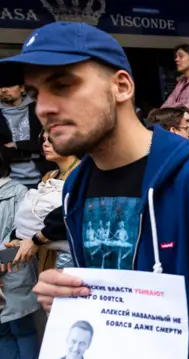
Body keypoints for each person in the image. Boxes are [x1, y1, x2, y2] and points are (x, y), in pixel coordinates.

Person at [1, 22, 189, 358]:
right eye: (35, 94)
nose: (43, 108)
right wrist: (68, 300)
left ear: (121, 86)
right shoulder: (75, 187)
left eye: (62, 85)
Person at [8, 131, 80, 273]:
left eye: (51, 140)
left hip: (73, 253)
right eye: (44, 140)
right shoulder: (50, 175)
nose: (45, 144)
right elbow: (32, 214)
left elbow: (68, 213)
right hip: (46, 251)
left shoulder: (81, 173)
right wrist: (16, 239)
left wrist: (36, 239)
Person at [0, 153, 31, 359]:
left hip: (12, 269)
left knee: (22, 327)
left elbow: (22, 233)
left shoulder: (20, 192)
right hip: (9, 267)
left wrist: (1, 260)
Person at [0, 83, 51, 189]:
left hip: (42, 178)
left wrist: (18, 145)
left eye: (9, 85)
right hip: (6, 180)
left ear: (22, 88)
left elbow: (50, 141)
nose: (3, 90)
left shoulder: (38, 110)